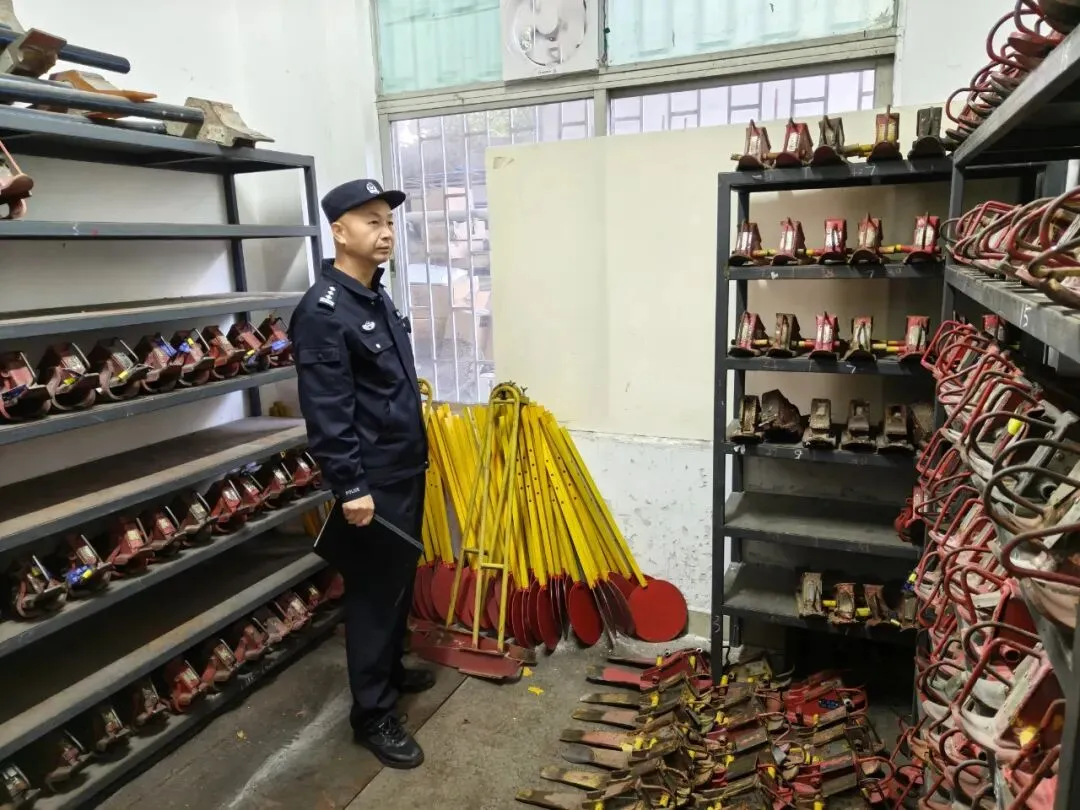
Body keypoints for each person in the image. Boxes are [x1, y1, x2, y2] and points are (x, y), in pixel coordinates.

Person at [290, 178, 432, 769]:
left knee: (396, 581)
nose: (386, 231)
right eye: (371, 221)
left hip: (404, 467)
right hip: (371, 480)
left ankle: (390, 672)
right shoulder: (323, 312)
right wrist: (351, 487)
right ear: (339, 231)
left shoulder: (374, 298)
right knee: (373, 594)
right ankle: (372, 714)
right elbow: (328, 411)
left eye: (389, 221)